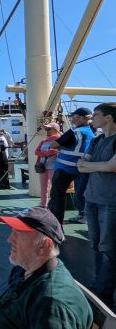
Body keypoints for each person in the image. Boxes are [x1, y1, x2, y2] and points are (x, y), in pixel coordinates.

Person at [77, 102, 116, 309]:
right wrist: (104, 167)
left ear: (108, 117)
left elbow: (112, 166)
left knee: (108, 249)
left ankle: (103, 293)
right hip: (91, 199)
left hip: (111, 202)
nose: (93, 119)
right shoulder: (97, 140)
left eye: (96, 115)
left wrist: (99, 166)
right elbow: (80, 167)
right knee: (96, 245)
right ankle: (100, 285)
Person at [48, 107, 94, 225]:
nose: (72, 118)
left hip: (64, 169)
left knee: (57, 196)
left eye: (73, 116)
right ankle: (84, 215)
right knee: (81, 194)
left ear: (78, 117)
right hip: (83, 169)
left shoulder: (73, 132)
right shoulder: (91, 132)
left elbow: (53, 145)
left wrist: (61, 146)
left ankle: (56, 224)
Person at [34, 123, 61, 208]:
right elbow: (36, 152)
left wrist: (44, 153)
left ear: (55, 129)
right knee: (43, 186)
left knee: (55, 187)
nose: (47, 131)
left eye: (49, 129)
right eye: (46, 129)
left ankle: (54, 204)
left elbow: (56, 151)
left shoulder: (59, 139)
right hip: (43, 166)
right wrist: (45, 153)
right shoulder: (44, 141)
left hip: (54, 166)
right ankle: (43, 205)